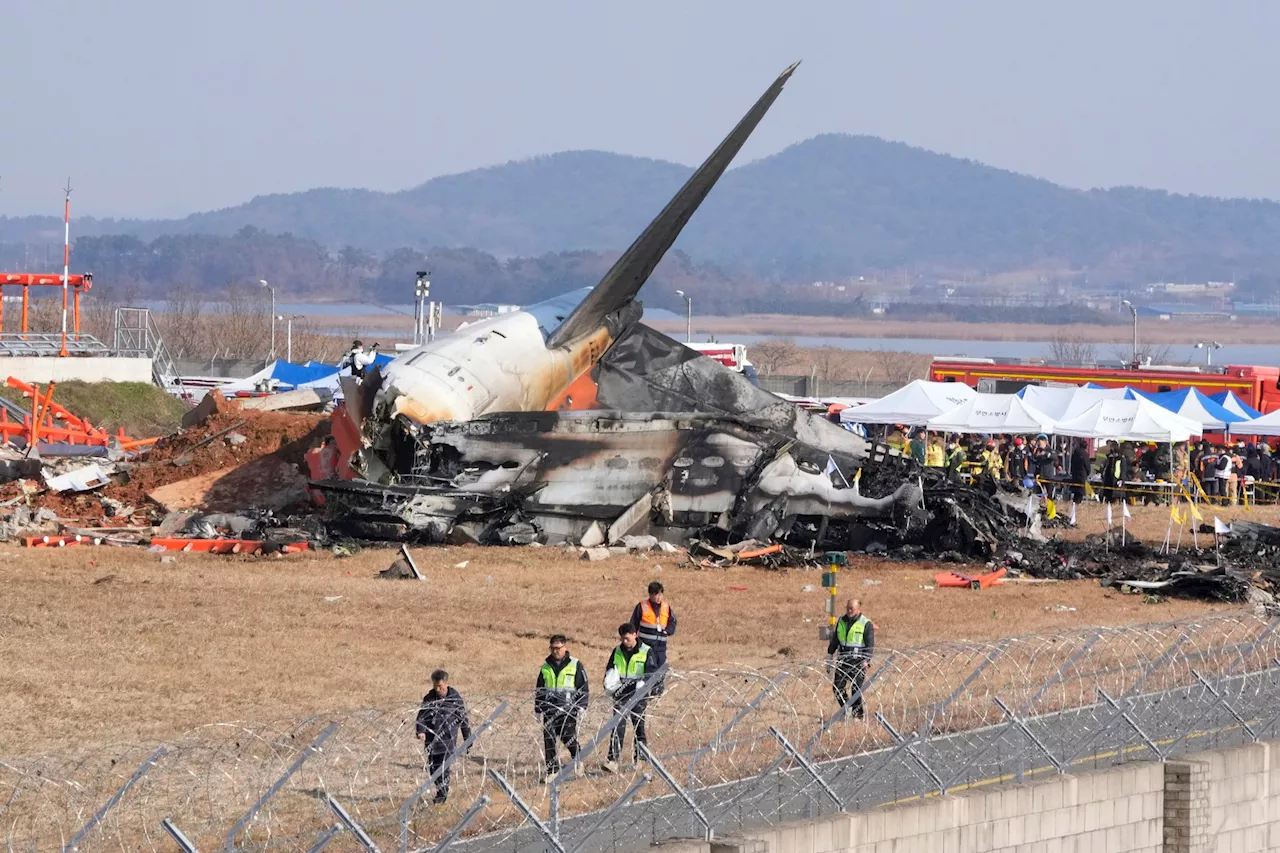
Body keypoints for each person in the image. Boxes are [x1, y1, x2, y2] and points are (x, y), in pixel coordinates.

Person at [602, 624, 658, 773]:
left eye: (627, 638)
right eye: (622, 638)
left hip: (639, 694)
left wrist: (644, 684)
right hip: (621, 693)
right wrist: (609, 681)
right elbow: (610, 669)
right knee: (617, 726)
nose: (625, 641)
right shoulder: (617, 651)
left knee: (638, 725)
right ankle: (613, 760)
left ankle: (640, 758)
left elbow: (652, 672)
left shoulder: (646, 651)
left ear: (635, 635)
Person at [535, 634, 589, 777]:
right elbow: (540, 689)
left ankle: (578, 759)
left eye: (558, 648)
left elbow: (582, 687)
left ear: (565, 647)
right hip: (549, 708)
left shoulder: (575, 664)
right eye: (552, 648)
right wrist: (538, 708)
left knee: (568, 737)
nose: (555, 651)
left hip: (568, 709)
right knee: (549, 739)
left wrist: (582, 706)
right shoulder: (546, 667)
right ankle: (552, 771)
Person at [415, 670, 472, 804]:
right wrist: (421, 731)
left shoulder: (454, 699)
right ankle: (440, 790)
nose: (437, 688)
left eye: (440, 686)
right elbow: (421, 717)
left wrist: (467, 738)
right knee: (433, 768)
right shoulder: (429, 698)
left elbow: (463, 719)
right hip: (431, 740)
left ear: (446, 683)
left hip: (448, 740)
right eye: (435, 685)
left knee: (443, 768)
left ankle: (442, 795)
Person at [826, 598, 875, 718]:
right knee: (837, 688)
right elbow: (835, 640)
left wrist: (866, 660)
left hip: (858, 661)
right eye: (847, 608)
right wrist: (829, 656)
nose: (849, 610)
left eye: (851, 608)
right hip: (843, 660)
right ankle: (846, 710)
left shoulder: (866, 623)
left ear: (858, 609)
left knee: (855, 690)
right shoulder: (841, 621)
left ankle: (858, 716)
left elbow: (870, 645)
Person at [630, 581, 676, 695]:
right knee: (647, 668)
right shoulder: (642, 607)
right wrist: (632, 640)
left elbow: (672, 622)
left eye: (660, 594)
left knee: (660, 668)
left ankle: (657, 692)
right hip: (646, 645)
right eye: (656, 594)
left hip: (660, 646)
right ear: (650, 595)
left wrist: (668, 631)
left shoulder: (666, 607)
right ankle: (643, 690)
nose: (658, 597)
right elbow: (633, 624)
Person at [1068, 439, 1091, 506]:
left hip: (1075, 475)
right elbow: (1087, 465)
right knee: (1080, 492)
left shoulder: (1075, 453)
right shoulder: (1085, 454)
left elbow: (1071, 463)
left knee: (1076, 492)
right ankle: (1077, 504)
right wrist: (1088, 472)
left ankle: (1074, 504)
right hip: (1082, 475)